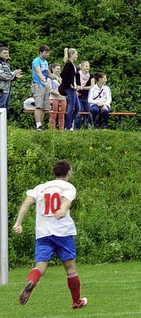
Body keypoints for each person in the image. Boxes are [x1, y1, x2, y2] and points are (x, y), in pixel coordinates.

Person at [12, 160, 88, 309]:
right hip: (63, 232)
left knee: (40, 266)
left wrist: (18, 223)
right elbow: (66, 202)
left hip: (43, 233)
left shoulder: (41, 187)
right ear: (69, 173)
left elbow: (26, 203)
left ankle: (32, 281)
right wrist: (62, 210)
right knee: (70, 268)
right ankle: (76, 301)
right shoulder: (68, 187)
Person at [31, 45, 51, 131]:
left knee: (44, 106)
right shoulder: (36, 61)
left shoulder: (46, 62)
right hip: (38, 84)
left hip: (44, 86)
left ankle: (40, 125)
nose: (48, 54)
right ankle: (37, 124)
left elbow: (48, 73)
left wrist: (57, 77)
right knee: (38, 105)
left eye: (48, 52)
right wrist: (45, 82)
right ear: (40, 52)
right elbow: (39, 72)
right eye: (46, 52)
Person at [61, 48, 80, 130]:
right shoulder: (68, 64)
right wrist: (70, 84)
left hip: (73, 88)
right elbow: (63, 75)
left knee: (77, 107)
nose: (77, 55)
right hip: (69, 88)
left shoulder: (72, 64)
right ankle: (67, 126)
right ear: (72, 54)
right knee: (71, 107)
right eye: (76, 54)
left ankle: (70, 123)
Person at [74, 61, 93, 129]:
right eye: (86, 66)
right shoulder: (76, 75)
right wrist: (77, 89)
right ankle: (77, 128)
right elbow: (74, 85)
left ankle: (89, 127)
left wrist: (81, 87)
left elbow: (92, 87)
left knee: (88, 111)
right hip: (78, 96)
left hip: (87, 97)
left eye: (88, 66)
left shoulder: (91, 76)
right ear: (82, 67)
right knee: (79, 111)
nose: (88, 68)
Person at [48, 63, 66, 130]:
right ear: (53, 69)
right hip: (54, 98)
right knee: (53, 114)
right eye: (57, 69)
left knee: (62, 115)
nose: (59, 70)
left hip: (62, 98)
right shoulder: (50, 78)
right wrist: (58, 93)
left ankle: (61, 130)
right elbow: (49, 89)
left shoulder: (61, 77)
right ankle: (52, 130)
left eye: (60, 69)